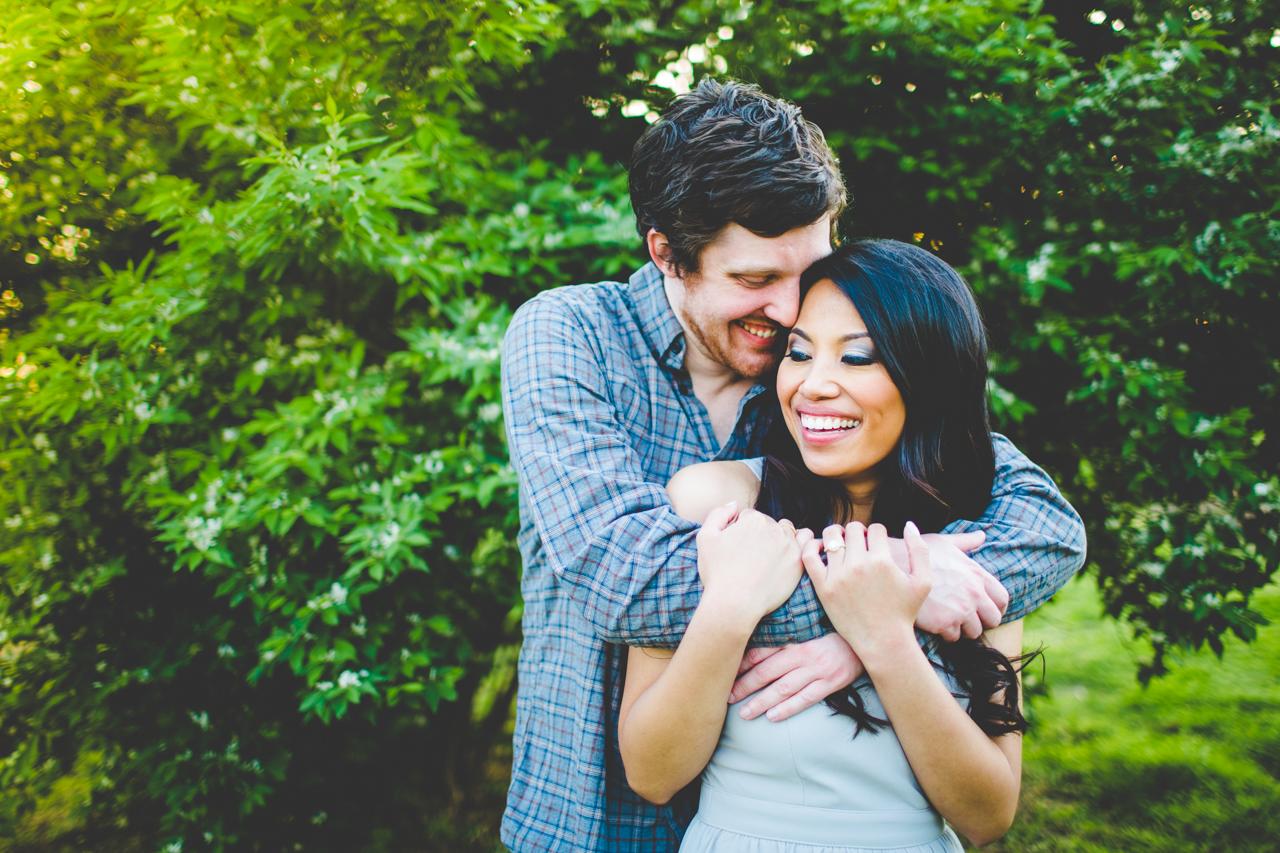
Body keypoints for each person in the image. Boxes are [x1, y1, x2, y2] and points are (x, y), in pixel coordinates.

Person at [500, 79, 1085, 853]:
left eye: (805, 272)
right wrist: (890, 588)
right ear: (667, 254)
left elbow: (1040, 520)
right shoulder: (570, 336)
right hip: (593, 818)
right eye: (754, 280)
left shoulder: (817, 380)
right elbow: (624, 579)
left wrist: (879, 617)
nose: (786, 312)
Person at [618, 239, 1037, 852]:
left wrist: (882, 642)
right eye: (799, 352)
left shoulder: (969, 543)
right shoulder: (718, 502)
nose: (813, 386)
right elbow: (652, 776)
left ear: (930, 376)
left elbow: (986, 816)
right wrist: (730, 609)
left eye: (858, 357)